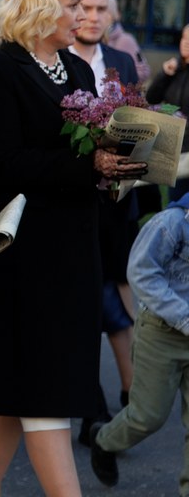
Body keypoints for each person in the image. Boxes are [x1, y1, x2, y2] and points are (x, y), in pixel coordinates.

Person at [0, 0, 147, 497]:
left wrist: (122, 165)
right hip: (25, 252)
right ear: (41, 6)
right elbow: (4, 165)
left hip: (75, 246)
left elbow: (87, 154)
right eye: (73, 6)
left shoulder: (76, 69)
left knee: (20, 382)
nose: (85, 17)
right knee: (45, 389)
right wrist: (89, 164)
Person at [70, 0, 141, 438]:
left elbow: (138, 125)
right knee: (82, 302)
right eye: (86, 8)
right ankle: (94, 405)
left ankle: (128, 396)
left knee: (114, 293)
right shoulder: (55, 62)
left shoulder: (121, 61)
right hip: (72, 201)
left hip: (117, 204)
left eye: (102, 10)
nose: (94, 18)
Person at [88, 194, 189, 493]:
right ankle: (104, 440)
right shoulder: (170, 224)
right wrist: (184, 318)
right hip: (161, 333)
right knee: (148, 416)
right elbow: (141, 273)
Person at [147, 23, 189, 200]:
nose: (186, 43)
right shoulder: (174, 68)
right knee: (175, 203)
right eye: (184, 38)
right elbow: (152, 98)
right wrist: (164, 74)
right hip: (174, 149)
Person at [106, 0, 150, 82]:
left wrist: (116, 81)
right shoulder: (95, 41)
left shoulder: (125, 40)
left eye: (102, 11)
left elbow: (144, 71)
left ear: (114, 16)